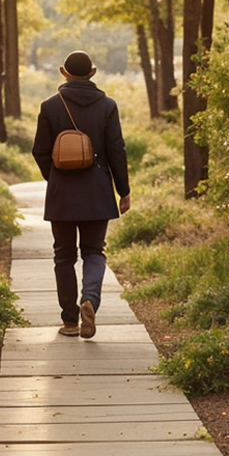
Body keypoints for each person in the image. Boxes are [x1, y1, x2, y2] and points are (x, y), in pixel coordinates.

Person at [32, 50, 131, 339]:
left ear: (64, 72)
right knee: (94, 251)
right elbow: (116, 150)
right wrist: (122, 191)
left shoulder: (50, 106)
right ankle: (90, 299)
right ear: (92, 73)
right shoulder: (108, 106)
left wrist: (56, 177)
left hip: (62, 193)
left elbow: (40, 150)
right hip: (98, 191)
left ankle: (70, 322)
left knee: (63, 256)